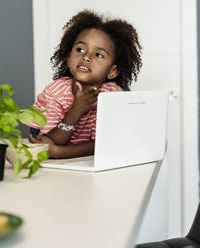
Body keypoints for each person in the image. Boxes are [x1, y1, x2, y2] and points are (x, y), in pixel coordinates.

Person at [28, 9, 142, 159]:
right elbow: (49, 141)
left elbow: (106, 142)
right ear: (68, 58)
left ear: (112, 71)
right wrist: (76, 110)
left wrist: (60, 152)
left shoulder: (112, 95)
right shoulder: (55, 92)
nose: (86, 57)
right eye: (80, 49)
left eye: (98, 54)